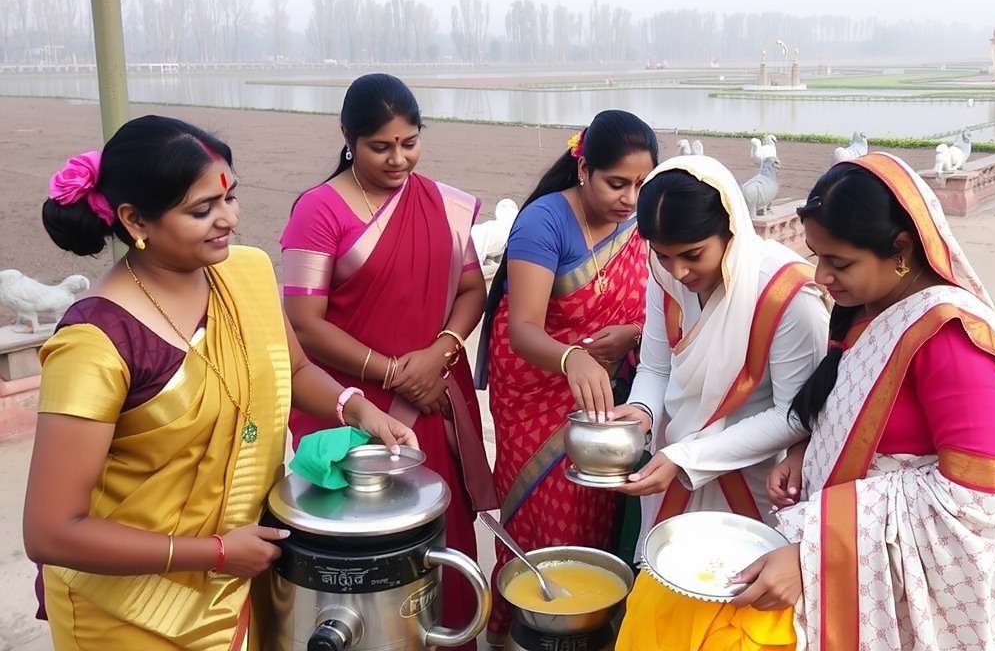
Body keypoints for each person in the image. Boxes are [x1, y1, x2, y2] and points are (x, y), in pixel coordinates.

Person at [24, 115, 417, 651]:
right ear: (135, 219)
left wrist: (358, 409)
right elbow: (51, 530)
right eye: (202, 209)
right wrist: (213, 553)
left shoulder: (244, 273)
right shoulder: (96, 342)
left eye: (230, 197)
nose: (229, 220)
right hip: (131, 614)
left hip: (238, 583)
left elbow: (294, 369)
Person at [727, 154, 995, 650]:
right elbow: (855, 411)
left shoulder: (949, 344)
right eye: (816, 255)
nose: (820, 277)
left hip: (886, 583)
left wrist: (815, 551)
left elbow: (974, 502)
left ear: (900, 249)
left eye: (838, 262)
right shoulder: (872, 306)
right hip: (854, 558)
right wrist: (805, 453)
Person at [279, 74, 494, 649]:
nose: (399, 158)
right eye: (381, 146)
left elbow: (472, 290)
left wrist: (439, 353)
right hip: (351, 410)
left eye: (410, 142)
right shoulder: (318, 211)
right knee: (364, 559)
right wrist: (396, 373)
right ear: (348, 138)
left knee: (442, 539)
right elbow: (304, 323)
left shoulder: (444, 206)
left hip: (433, 397)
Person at [478, 110, 658, 643]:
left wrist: (630, 335)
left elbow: (659, 311)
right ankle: (527, 628)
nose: (630, 198)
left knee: (598, 507)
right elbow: (524, 330)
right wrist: (570, 358)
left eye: (642, 185)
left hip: (606, 393)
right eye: (617, 183)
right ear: (584, 170)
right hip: (536, 390)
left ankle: (590, 622)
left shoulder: (641, 223)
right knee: (542, 514)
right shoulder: (544, 221)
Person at [611, 156, 828, 554]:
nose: (677, 272)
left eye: (693, 255)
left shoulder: (787, 297)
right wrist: (641, 410)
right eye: (662, 255)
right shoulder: (665, 278)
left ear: (732, 231)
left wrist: (688, 457)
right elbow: (657, 368)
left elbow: (795, 415)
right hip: (669, 465)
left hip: (749, 482)